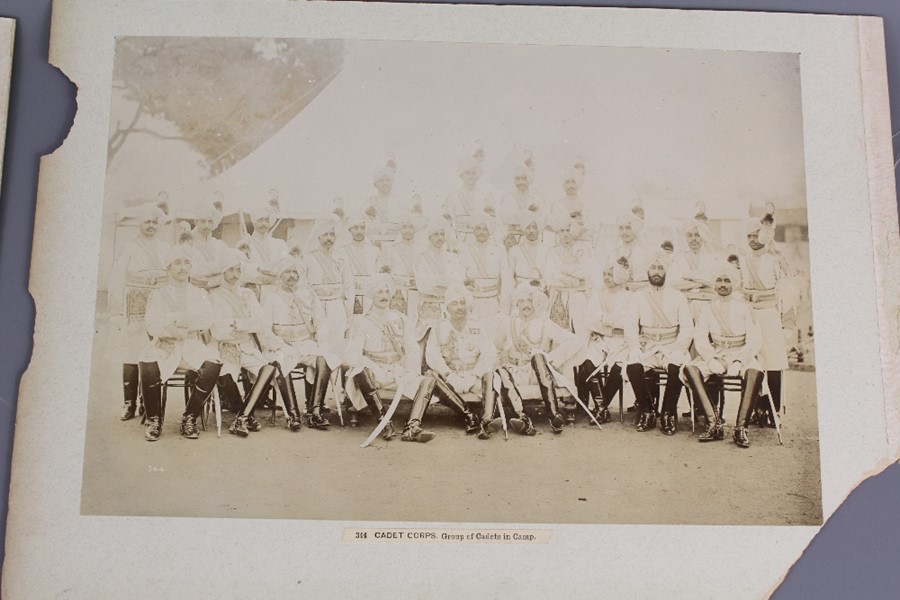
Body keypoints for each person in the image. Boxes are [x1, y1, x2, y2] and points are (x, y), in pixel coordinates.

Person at [137, 246, 222, 442]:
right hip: (165, 344)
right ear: (168, 267)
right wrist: (182, 322)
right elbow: (153, 325)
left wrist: (172, 320)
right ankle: (154, 420)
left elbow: (206, 320)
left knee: (213, 363)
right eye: (177, 262)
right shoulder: (158, 294)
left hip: (191, 344)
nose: (182, 267)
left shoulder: (199, 293)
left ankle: (189, 417)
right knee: (147, 359)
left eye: (186, 263)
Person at [345, 274, 442, 443]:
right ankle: (385, 423)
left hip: (398, 371)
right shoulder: (362, 322)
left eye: (387, 291)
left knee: (428, 381)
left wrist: (410, 371)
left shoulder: (400, 318)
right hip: (375, 375)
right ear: (371, 295)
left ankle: (412, 427)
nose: (384, 295)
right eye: (379, 292)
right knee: (360, 370)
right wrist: (374, 368)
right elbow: (353, 355)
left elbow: (412, 348)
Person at [682, 263, 765, 447]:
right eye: (719, 280)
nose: (722, 284)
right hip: (718, 353)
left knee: (754, 372)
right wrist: (711, 358)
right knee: (690, 368)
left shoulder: (745, 308)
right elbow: (700, 337)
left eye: (727, 280)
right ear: (714, 283)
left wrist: (739, 360)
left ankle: (740, 429)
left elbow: (755, 339)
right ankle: (714, 423)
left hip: (741, 353)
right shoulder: (707, 308)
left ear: (733, 284)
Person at [259, 258, 342, 430]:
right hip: (281, 345)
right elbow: (264, 329)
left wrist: (322, 341)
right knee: (282, 361)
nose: (291, 276)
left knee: (323, 358)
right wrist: (279, 345)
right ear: (280, 275)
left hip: (305, 343)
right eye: (287, 272)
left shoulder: (308, 294)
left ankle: (314, 412)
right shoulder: (271, 297)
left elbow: (321, 321)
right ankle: (293, 415)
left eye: (294, 272)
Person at [107, 202, 170, 421]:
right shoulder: (130, 246)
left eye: (154, 222)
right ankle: (129, 403)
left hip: (159, 304)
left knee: (155, 350)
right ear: (139, 224)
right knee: (133, 351)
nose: (151, 225)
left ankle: (147, 401)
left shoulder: (164, 247)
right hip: (135, 304)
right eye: (147, 221)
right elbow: (116, 278)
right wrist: (116, 310)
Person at [494, 284, 582, 434]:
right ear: (516, 303)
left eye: (530, 300)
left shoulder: (545, 323)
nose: (526, 305)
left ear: (536, 303)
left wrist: (550, 358)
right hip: (513, 372)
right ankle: (523, 420)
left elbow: (575, 341)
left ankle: (554, 416)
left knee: (538, 357)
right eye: (522, 301)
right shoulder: (508, 323)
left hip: (536, 375)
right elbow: (494, 347)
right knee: (501, 372)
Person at [208, 249, 278, 436]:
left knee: (268, 370)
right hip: (226, 347)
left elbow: (261, 323)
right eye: (230, 270)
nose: (235, 275)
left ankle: (242, 418)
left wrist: (238, 324)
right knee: (225, 374)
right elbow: (219, 331)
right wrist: (247, 325)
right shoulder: (214, 296)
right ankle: (244, 415)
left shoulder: (247, 294)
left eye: (238, 270)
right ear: (222, 272)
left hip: (247, 346)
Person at [624, 254, 694, 435]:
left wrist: (680, 348)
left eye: (660, 268)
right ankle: (647, 410)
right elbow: (630, 326)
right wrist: (635, 347)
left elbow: (687, 327)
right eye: (653, 268)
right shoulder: (638, 296)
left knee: (676, 366)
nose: (656, 272)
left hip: (671, 345)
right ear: (647, 271)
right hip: (648, 346)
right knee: (633, 365)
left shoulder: (678, 296)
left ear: (667, 271)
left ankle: (668, 413)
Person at [424, 283, 496, 439]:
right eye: (454, 303)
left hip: (473, 376)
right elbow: (432, 356)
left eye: (462, 303)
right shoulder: (438, 327)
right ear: (447, 307)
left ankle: (486, 421)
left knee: (493, 380)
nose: (459, 307)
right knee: (432, 380)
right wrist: (448, 374)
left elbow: (489, 354)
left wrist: (475, 375)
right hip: (451, 377)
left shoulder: (478, 326)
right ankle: (469, 416)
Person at [738, 217, 789, 427]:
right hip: (749, 313)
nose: (751, 239)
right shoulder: (742, 260)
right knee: (749, 359)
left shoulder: (774, 259)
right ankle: (751, 409)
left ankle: (772, 410)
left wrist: (785, 318)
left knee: (773, 362)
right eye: (748, 236)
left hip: (768, 314)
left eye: (755, 234)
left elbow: (785, 290)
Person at [575, 263, 631, 423]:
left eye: (610, 274)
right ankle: (602, 407)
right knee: (587, 357)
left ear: (620, 275)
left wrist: (603, 319)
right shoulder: (597, 296)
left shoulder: (629, 297)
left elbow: (627, 322)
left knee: (620, 364)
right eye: (604, 274)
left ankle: (601, 407)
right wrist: (610, 326)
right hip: (600, 338)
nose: (606, 278)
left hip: (621, 340)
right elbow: (589, 321)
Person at [302, 217, 354, 356]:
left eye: (332, 234)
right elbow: (303, 286)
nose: (329, 238)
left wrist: (349, 312)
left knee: (337, 342)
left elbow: (348, 286)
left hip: (337, 305)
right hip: (316, 306)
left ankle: (336, 377)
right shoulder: (309, 258)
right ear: (318, 236)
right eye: (325, 234)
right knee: (319, 343)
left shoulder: (341, 258)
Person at [459, 215, 508, 333]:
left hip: (493, 303)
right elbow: (460, 277)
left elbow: (506, 279)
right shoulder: (465, 250)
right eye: (478, 228)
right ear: (473, 231)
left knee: (492, 336)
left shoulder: (498, 250)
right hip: (472, 303)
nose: (481, 232)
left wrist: (504, 305)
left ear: (489, 231)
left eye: (484, 229)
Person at [413, 220, 462, 334]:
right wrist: (445, 281)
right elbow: (423, 284)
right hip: (430, 306)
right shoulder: (422, 259)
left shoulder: (453, 258)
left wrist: (436, 281)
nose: (440, 237)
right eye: (436, 234)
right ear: (429, 238)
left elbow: (458, 279)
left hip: (450, 305)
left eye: (442, 234)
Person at [544, 219, 591, 334]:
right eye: (562, 231)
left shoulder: (582, 250)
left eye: (568, 230)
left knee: (581, 331)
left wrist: (561, 270)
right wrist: (573, 279)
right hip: (559, 296)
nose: (565, 234)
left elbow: (585, 272)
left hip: (579, 296)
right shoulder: (552, 252)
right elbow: (550, 277)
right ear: (558, 234)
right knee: (560, 334)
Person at [670, 219, 718, 320]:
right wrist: (702, 282)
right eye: (690, 235)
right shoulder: (679, 258)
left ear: (702, 237)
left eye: (697, 235)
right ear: (685, 238)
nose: (694, 239)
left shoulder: (710, 259)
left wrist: (687, 276)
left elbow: (712, 280)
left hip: (706, 303)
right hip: (683, 304)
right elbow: (674, 282)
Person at [442, 155, 496, 242]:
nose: (470, 176)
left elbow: (492, 219)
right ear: (462, 175)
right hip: (460, 237)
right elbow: (447, 221)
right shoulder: (453, 196)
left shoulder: (486, 195)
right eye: (467, 173)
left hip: (480, 239)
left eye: (473, 173)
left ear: (477, 175)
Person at [377, 212, 420, 317]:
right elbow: (385, 274)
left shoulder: (422, 249)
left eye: (410, 227)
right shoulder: (391, 250)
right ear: (400, 230)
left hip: (417, 292)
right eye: (404, 227)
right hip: (397, 293)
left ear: (415, 229)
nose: (407, 230)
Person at [339, 212, 382, 315]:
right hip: (350, 296)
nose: (359, 231)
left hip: (370, 297)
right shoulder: (342, 251)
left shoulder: (374, 251)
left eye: (362, 228)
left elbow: (379, 277)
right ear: (350, 230)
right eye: (356, 228)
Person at [185, 203, 228, 290]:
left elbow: (228, 266)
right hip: (196, 291)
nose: (207, 226)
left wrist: (205, 268)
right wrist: (217, 267)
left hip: (219, 291)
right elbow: (192, 271)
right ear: (196, 222)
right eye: (203, 221)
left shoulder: (219, 244)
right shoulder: (187, 244)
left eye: (210, 222)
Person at [506, 211, 547, 287]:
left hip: (541, 292)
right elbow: (509, 276)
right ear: (523, 229)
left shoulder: (546, 250)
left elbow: (549, 276)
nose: (531, 231)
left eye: (534, 227)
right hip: (521, 293)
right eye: (528, 227)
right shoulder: (514, 250)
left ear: (539, 230)